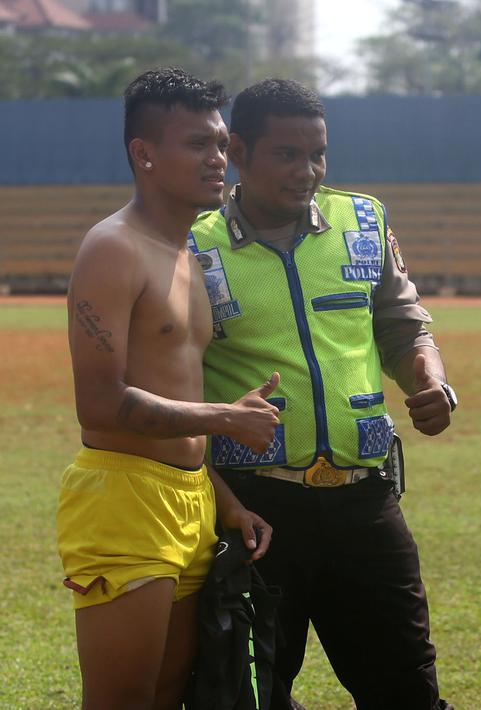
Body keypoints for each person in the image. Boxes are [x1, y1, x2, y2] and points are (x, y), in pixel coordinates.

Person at [189, 78, 456, 709]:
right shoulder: (193, 246)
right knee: (250, 693)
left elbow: (404, 325)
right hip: (254, 510)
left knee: (406, 688)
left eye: (318, 154)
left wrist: (431, 379)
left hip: (365, 501)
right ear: (239, 153)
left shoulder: (362, 221)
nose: (307, 171)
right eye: (287, 154)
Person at [58, 67, 280, 709]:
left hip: (189, 501)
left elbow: (169, 391)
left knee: (170, 696)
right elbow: (100, 403)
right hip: (123, 498)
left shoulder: (185, 254)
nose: (219, 160)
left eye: (220, 144)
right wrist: (226, 419)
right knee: (121, 700)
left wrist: (224, 499)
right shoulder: (113, 248)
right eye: (197, 144)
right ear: (144, 154)